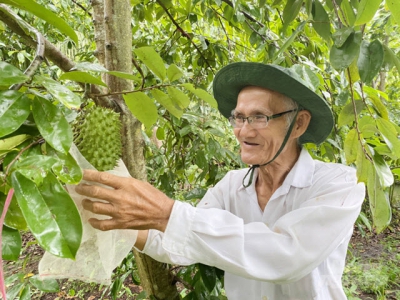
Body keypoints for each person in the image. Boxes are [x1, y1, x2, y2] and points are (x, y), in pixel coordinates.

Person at [75, 62, 365, 300]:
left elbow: (289, 255)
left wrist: (167, 212)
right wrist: (113, 217)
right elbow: (175, 241)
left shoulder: (339, 184)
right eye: (239, 118)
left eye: (259, 117)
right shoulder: (231, 185)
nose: (243, 131)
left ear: (298, 123)